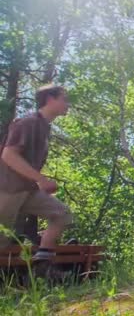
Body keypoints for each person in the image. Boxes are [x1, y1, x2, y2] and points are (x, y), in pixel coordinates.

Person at [0, 84, 73, 269]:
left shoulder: (44, 127)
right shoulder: (27, 122)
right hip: (7, 190)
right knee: (2, 239)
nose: (68, 104)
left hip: (27, 191)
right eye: (64, 99)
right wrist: (41, 179)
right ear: (50, 99)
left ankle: (43, 265)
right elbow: (8, 155)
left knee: (62, 214)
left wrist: (37, 182)